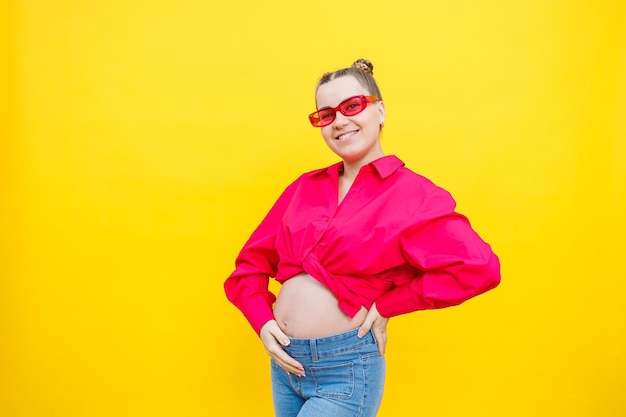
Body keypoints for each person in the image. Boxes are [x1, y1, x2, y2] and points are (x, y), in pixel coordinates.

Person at [224, 59, 501, 417]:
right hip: (286, 366)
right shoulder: (304, 187)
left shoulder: (414, 194)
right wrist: (263, 322)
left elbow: (479, 269)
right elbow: (248, 267)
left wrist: (390, 304)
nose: (339, 121)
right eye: (326, 115)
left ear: (380, 110)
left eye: (352, 106)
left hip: (346, 370)